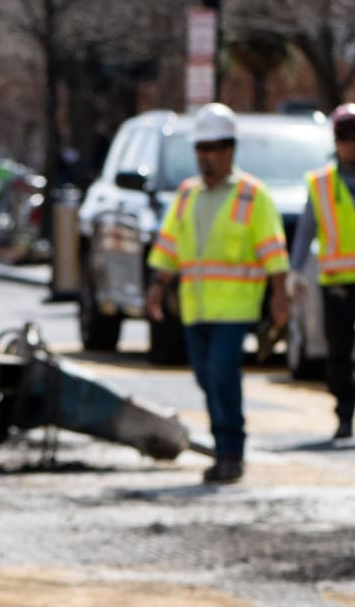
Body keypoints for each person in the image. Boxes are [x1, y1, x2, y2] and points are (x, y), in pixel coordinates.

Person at [147, 102, 289, 485]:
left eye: (211, 148)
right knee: (206, 378)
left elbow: (273, 249)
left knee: (222, 373)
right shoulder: (187, 194)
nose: (204, 156)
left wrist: (279, 295)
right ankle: (223, 446)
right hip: (196, 307)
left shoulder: (251, 195)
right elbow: (169, 246)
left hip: (235, 307)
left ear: (229, 150)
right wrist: (158, 287)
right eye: (200, 148)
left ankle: (231, 450)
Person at [290, 102, 355, 442]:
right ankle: (345, 414)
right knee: (339, 353)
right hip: (337, 284)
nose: (350, 144)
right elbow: (306, 229)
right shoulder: (322, 183)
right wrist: (296, 271)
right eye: (344, 137)